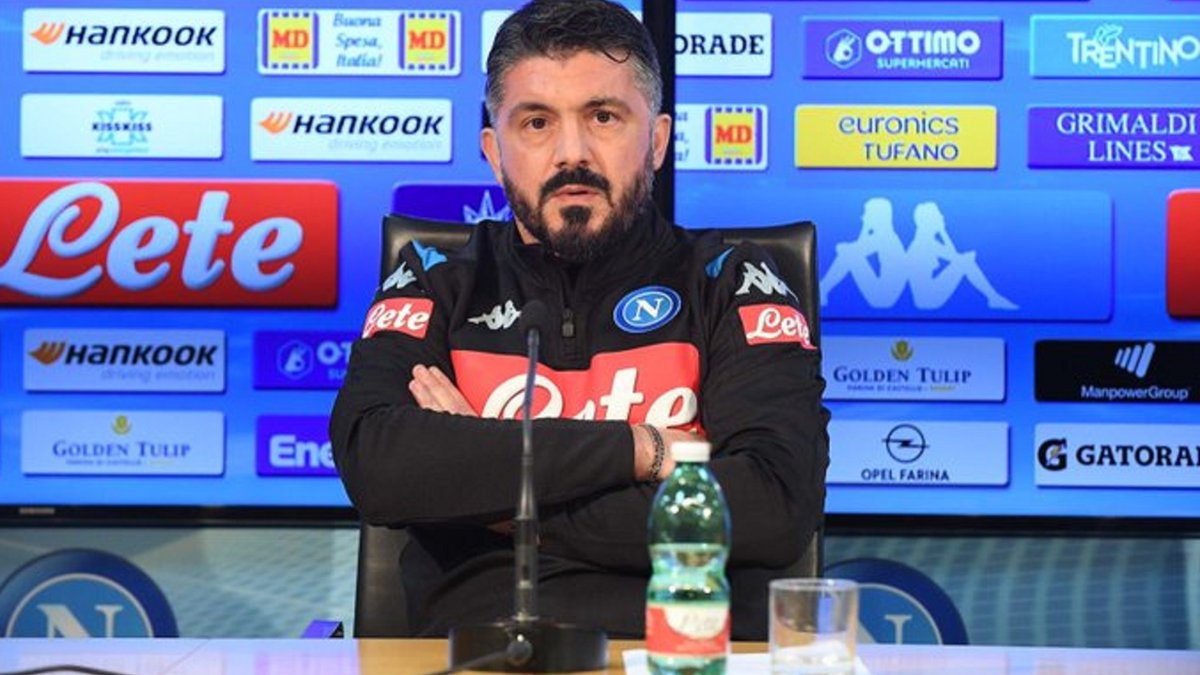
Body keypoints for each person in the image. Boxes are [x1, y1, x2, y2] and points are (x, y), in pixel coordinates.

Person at [330, 0, 828, 639]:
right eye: (537, 122)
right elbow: (379, 465)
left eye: (603, 117)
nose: (572, 153)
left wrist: (493, 492)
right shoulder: (436, 278)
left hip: (685, 658)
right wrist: (642, 449)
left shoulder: (732, 281)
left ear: (656, 141)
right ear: (494, 151)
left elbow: (772, 504)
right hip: (475, 660)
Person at [819, 197, 908, 308]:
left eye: (867, 213)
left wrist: (865, 228)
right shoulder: (885, 236)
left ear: (877, 216)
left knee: (848, 255)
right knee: (850, 254)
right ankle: (823, 288)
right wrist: (865, 230)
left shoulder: (885, 237)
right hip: (883, 293)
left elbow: (854, 249)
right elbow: (858, 245)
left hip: (883, 296)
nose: (863, 217)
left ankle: (823, 289)